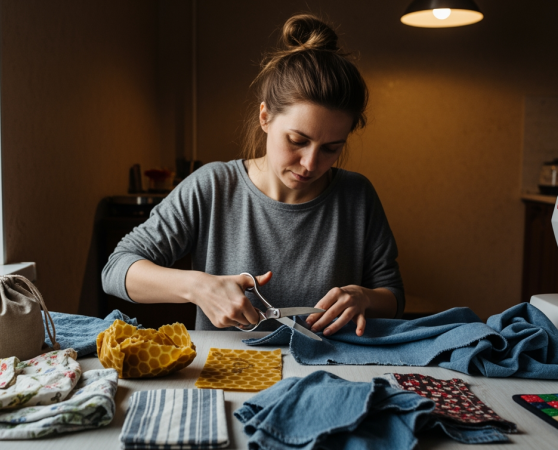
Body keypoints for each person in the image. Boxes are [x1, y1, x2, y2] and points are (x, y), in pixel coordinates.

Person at [103, 14, 404, 337]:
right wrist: (197, 286)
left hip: (330, 369)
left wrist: (364, 298)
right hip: (227, 375)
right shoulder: (212, 187)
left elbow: (393, 297)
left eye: (331, 148)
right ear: (265, 117)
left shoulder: (357, 195)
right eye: (297, 141)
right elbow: (116, 269)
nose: (310, 163)